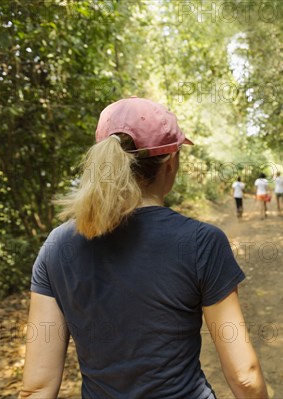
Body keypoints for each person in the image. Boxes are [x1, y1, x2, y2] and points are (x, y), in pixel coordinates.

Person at [19, 97, 269, 399]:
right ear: (171, 162)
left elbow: (37, 386)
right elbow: (244, 377)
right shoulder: (201, 243)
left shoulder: (56, 247)